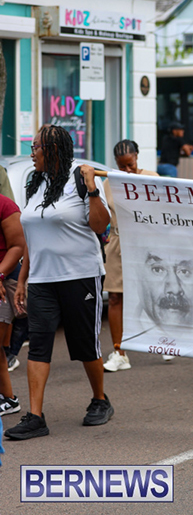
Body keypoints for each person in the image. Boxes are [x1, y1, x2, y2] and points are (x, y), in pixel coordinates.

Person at [5, 125, 112, 441]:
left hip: (80, 276)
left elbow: (100, 225)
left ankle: (100, 399)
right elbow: (31, 237)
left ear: (51, 149)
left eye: (35, 147)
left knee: (84, 344)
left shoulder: (80, 179)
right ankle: (36, 417)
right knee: (38, 344)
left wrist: (92, 188)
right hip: (41, 278)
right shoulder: (34, 184)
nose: (31, 152)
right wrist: (23, 278)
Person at [102, 140, 159, 373]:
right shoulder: (109, 183)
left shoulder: (152, 178)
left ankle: (164, 341)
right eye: (121, 166)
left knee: (156, 293)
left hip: (148, 243)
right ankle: (119, 352)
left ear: (137, 157)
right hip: (118, 243)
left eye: (130, 164)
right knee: (115, 298)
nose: (126, 170)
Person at [0, 192, 25, 418]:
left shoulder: (5, 206)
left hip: (5, 278)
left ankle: (8, 398)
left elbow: (17, 246)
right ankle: (7, 397)